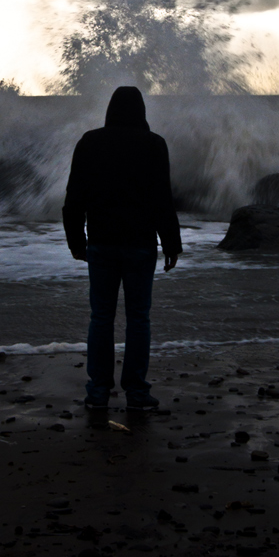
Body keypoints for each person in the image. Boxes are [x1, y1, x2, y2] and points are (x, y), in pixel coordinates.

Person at [62, 86, 182, 411]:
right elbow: (162, 200)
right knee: (138, 319)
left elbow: (74, 199)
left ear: (110, 110)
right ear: (141, 112)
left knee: (101, 317)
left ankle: (98, 392)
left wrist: (76, 242)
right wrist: (172, 243)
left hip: (101, 244)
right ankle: (136, 392)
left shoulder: (90, 142)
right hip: (140, 246)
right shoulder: (154, 145)